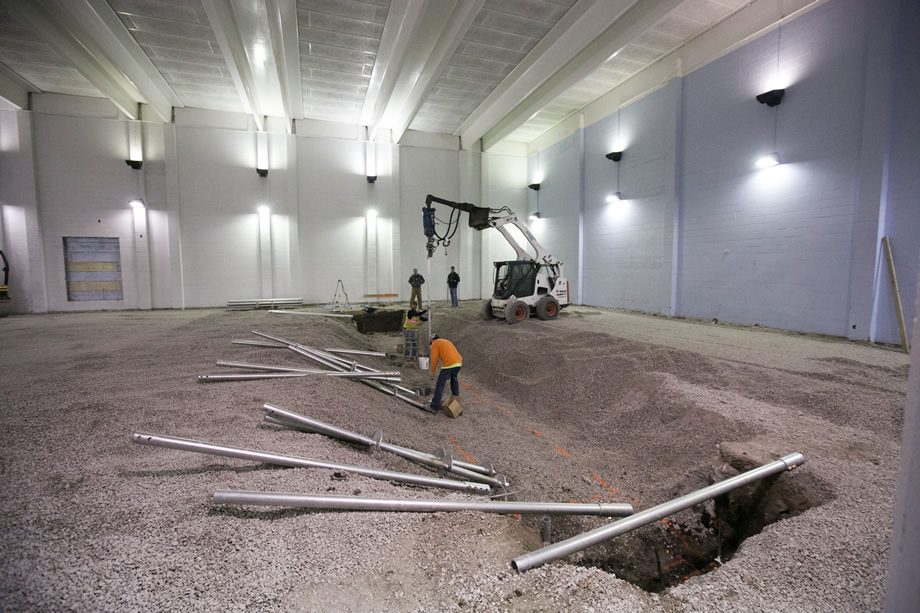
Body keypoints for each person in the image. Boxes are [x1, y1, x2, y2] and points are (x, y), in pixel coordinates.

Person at [429, 334, 461, 412]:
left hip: (449, 365)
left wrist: (432, 372)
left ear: (432, 340)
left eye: (431, 343)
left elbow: (434, 359)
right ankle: (455, 402)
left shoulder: (435, 343)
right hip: (458, 363)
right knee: (454, 381)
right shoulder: (446, 341)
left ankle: (434, 406)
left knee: (440, 384)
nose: (431, 345)